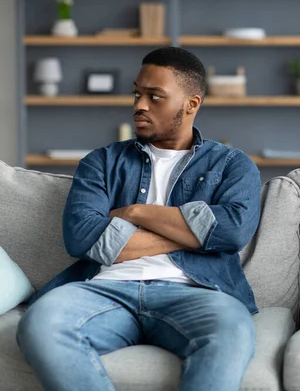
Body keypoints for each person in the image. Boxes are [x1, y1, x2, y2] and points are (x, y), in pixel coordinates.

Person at [17, 46, 261, 391]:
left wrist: (135, 212)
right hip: (106, 291)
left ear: (192, 104)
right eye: (137, 93)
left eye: (154, 97)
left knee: (233, 331)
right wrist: (196, 232)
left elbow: (233, 231)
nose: (139, 105)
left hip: (196, 292)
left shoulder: (232, 165)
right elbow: (82, 239)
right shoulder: (100, 162)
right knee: (40, 323)